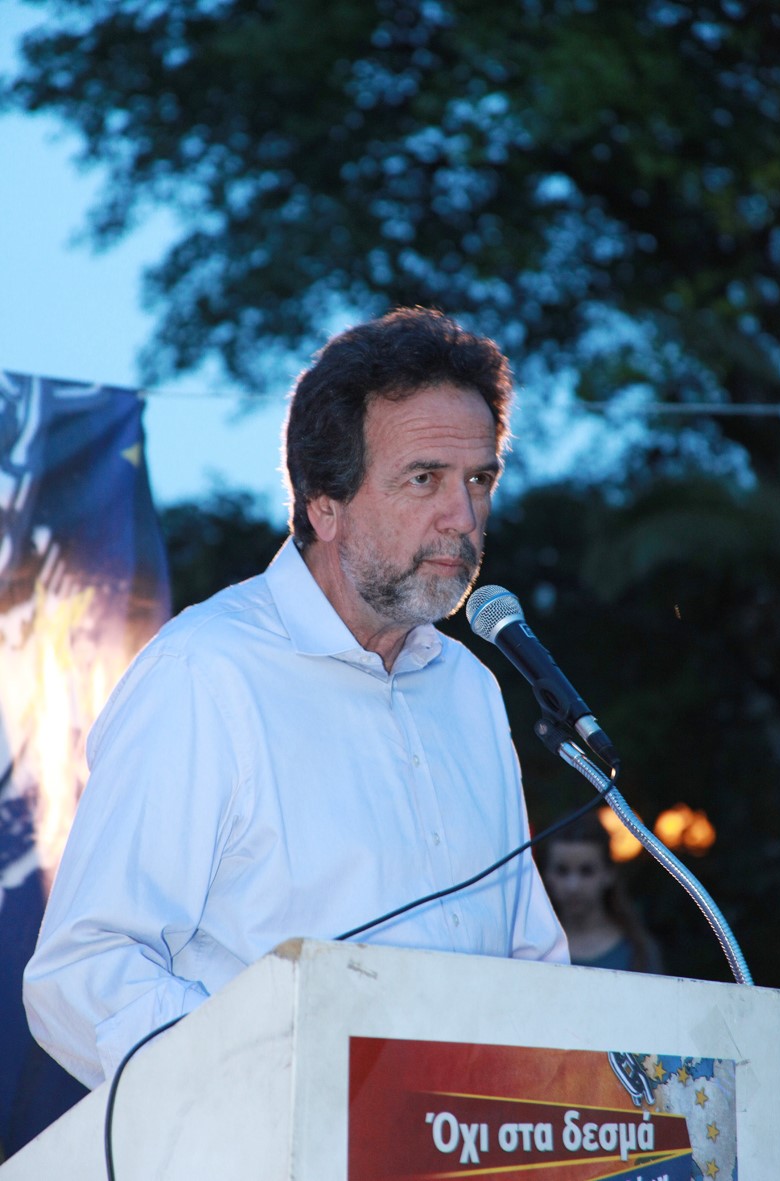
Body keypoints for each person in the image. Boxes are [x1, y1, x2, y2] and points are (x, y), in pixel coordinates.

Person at [23, 307, 569, 1090]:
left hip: (462, 1138)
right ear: (324, 503)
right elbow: (84, 971)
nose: (462, 517)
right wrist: (278, 1089)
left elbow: (530, 960)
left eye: (478, 480)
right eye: (424, 479)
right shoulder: (205, 672)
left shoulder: (469, 687)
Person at [540, 811, 663, 974]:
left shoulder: (638, 952)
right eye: (562, 871)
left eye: (587, 871)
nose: (573, 886)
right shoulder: (534, 948)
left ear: (609, 873)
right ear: (546, 874)